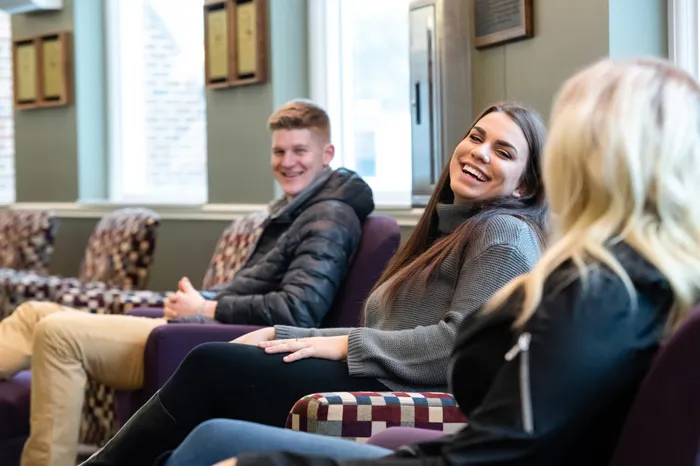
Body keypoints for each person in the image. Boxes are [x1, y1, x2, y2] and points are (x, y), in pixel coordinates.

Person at [156, 57, 700, 466]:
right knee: (214, 433)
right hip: (444, 436)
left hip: (438, 435)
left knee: (224, 443)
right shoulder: (629, 280)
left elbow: (495, 447)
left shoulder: (597, 292)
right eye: (476, 138)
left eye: (570, 140)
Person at [80, 101, 549, 466]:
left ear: (524, 187)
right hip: (383, 374)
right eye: (476, 137)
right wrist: (284, 335)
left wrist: (340, 344)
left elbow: (461, 347)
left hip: (409, 390)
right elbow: (383, 334)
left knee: (211, 364)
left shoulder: (502, 233)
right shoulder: (450, 228)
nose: (479, 153)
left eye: (503, 152)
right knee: (220, 391)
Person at [0, 99, 376, 466]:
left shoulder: (328, 217)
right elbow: (258, 286)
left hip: (221, 338)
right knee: (36, 312)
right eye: (279, 152)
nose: (287, 162)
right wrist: (204, 299)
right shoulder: (299, 210)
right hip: (201, 322)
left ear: (327, 153)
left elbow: (297, 309)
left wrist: (207, 307)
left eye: (299, 151)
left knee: (56, 330)